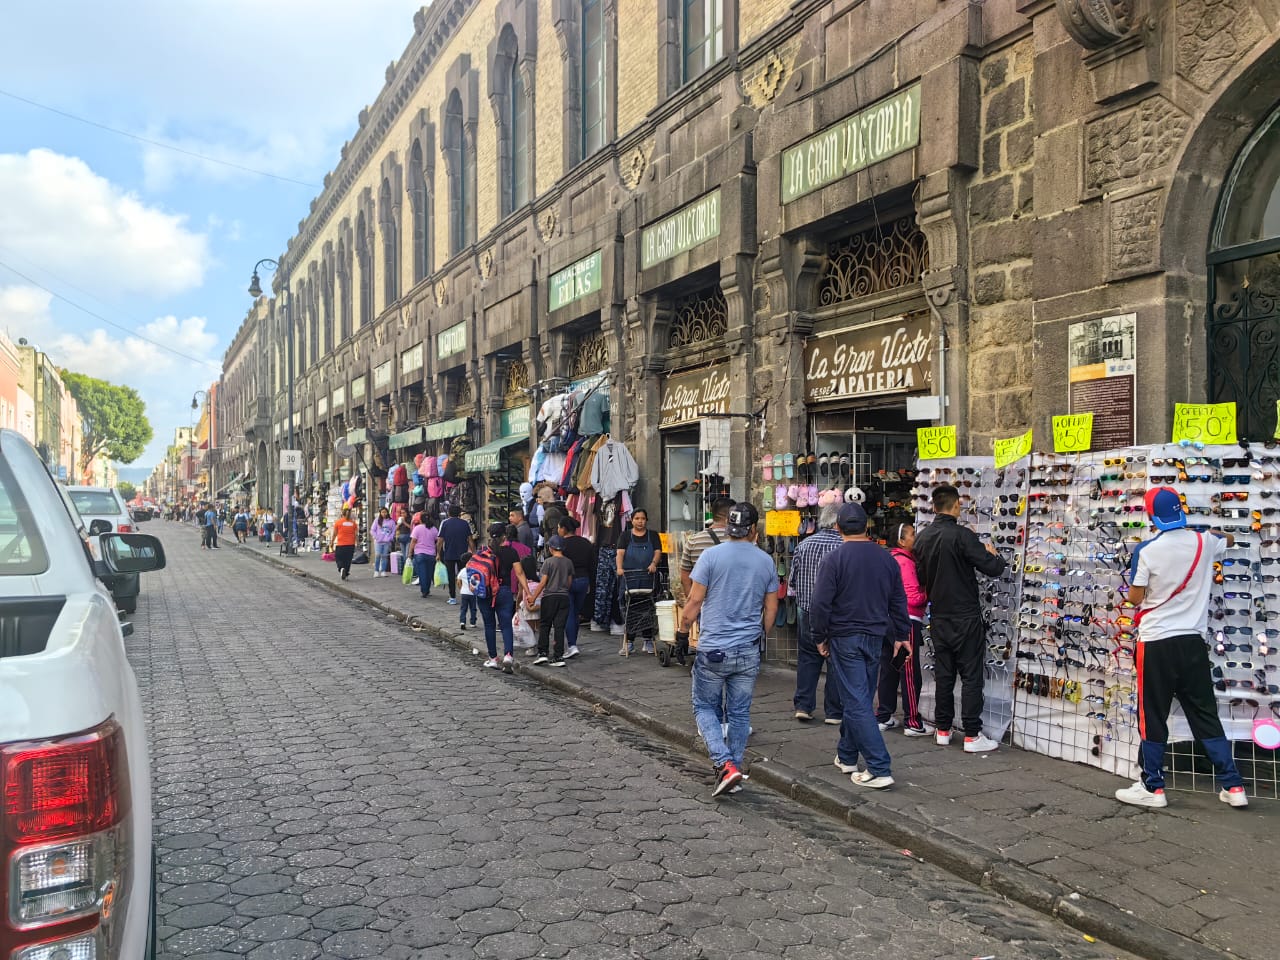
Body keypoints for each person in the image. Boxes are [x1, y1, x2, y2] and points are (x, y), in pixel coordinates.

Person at [1114, 487, 1248, 809]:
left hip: (1156, 643)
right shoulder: (1205, 542)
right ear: (1181, 511)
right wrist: (1215, 533)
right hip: (1192, 642)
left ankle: (1153, 787)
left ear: (1151, 516)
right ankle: (1233, 786)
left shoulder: (1147, 551)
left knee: (1153, 716)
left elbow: (1134, 597)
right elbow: (1226, 540)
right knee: (1205, 715)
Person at [808, 502, 910, 790]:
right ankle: (847, 754)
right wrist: (901, 633)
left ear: (838, 528)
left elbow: (820, 604)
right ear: (868, 527)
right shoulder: (887, 558)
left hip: (845, 636)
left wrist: (819, 636)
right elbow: (898, 600)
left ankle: (879, 767)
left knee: (856, 702)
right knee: (860, 697)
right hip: (874, 636)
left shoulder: (834, 559)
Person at [681, 503, 778, 798]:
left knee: (704, 707)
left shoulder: (710, 556)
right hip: (747, 648)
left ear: (727, 528)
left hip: (714, 647)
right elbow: (771, 606)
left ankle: (724, 764)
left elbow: (695, 602)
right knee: (738, 713)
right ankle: (732, 768)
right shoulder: (765, 562)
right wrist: (762, 634)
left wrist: (683, 631)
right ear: (753, 530)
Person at [913, 483, 1007, 753]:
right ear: (956, 505)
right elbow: (992, 568)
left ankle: (943, 729)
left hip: (938, 616)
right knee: (970, 676)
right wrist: (994, 555)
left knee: (944, 676)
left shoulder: (923, 538)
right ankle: (972, 735)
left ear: (933, 506)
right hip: (965, 616)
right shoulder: (962, 536)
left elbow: (920, 577)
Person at [787, 502, 845, 724]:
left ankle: (803, 705)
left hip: (807, 609)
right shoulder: (843, 546)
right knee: (835, 659)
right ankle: (833, 711)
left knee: (808, 657)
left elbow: (792, 580)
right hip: (835, 611)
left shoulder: (804, 545)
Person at [877, 522, 930, 736]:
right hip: (905, 620)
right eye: (912, 534)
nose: (915, 538)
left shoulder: (890, 559)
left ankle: (884, 716)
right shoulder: (905, 563)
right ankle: (912, 722)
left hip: (888, 620)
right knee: (908, 670)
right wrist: (929, 591)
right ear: (901, 541)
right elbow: (913, 598)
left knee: (890, 668)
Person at [476, 523, 530, 673]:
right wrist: (528, 592)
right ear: (504, 536)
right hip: (504, 591)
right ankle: (508, 656)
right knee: (506, 624)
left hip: (486, 592)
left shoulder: (483, 551)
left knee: (489, 625)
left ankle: (493, 658)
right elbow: (519, 573)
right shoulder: (511, 552)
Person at [615, 509, 663, 654]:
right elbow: (620, 553)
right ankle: (629, 641)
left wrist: (654, 564)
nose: (640, 521)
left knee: (648, 607)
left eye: (642, 518)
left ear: (646, 520)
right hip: (630, 578)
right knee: (630, 609)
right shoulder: (625, 536)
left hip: (648, 577)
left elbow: (657, 552)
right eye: (637, 518)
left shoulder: (653, 535)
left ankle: (648, 640)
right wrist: (619, 568)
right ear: (632, 520)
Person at [528, 535, 575, 666]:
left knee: (545, 625)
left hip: (549, 596)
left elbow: (543, 582)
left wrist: (533, 597)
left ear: (551, 548)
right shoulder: (568, 562)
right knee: (559, 627)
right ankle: (558, 656)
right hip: (564, 597)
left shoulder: (548, 562)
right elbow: (569, 582)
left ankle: (543, 652)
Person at [556, 516, 594, 659]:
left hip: (567, 581)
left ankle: (572, 645)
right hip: (583, 580)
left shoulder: (562, 545)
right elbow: (592, 565)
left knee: (569, 613)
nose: (558, 530)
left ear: (564, 529)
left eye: (559, 527)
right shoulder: (586, 543)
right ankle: (573, 643)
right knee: (575, 612)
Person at [439, 505, 474, 605]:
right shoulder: (465, 523)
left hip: (449, 553)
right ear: (459, 513)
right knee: (464, 574)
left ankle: (452, 597)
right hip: (462, 554)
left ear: (449, 513)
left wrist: (438, 553)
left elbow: (440, 540)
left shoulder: (445, 523)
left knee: (450, 576)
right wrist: (474, 553)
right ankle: (465, 595)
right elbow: (470, 540)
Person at [409, 513, 439, 598]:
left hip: (419, 553)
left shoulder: (417, 528)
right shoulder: (433, 529)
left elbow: (413, 541)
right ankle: (427, 589)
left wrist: (410, 553)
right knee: (429, 574)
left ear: (420, 520)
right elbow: (438, 541)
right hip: (431, 554)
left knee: (422, 573)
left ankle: (424, 590)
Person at [329, 507, 358, 580]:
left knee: (338, 558)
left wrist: (331, 542)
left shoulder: (338, 522)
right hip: (351, 544)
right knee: (348, 560)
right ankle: (346, 573)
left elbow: (335, 534)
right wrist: (357, 543)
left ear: (342, 514)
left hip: (341, 544)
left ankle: (341, 568)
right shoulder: (353, 523)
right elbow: (356, 534)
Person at [370, 508, 396, 578]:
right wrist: (376, 537)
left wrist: (390, 538)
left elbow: (394, 531)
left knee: (384, 556)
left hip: (386, 542)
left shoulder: (391, 521)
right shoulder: (377, 520)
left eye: (385, 512)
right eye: (382, 512)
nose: (384, 514)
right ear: (380, 513)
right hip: (378, 542)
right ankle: (376, 571)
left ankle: (383, 571)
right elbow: (372, 530)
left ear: (387, 513)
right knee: (378, 555)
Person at [456, 550, 478, 630]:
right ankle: (472, 622)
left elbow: (458, 580)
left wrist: (461, 588)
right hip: (473, 593)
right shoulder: (475, 571)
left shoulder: (462, 571)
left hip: (464, 593)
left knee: (463, 608)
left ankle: (462, 622)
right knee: (473, 608)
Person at [396, 512, 414, 578]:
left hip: (408, 538)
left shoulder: (410, 519)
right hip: (401, 539)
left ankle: (409, 570)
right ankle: (405, 570)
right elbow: (396, 528)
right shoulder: (400, 520)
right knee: (403, 555)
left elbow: (411, 528)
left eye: (404, 513)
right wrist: (399, 524)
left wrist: (404, 522)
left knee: (407, 555)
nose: (402, 514)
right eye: (401, 513)